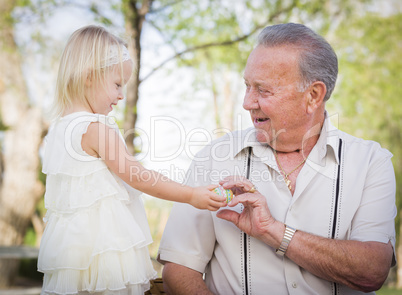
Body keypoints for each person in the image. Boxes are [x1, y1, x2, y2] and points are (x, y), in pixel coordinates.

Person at [158, 23, 396, 294]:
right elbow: (179, 269)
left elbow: (372, 271)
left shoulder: (371, 162)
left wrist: (274, 232)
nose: (248, 102)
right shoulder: (214, 157)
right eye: (247, 86)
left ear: (313, 96)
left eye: (263, 90)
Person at [37, 25, 226, 295]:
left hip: (71, 252)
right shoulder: (96, 128)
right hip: (104, 251)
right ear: (89, 76)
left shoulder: (58, 129)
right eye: (117, 84)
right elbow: (137, 176)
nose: (121, 95)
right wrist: (190, 194)